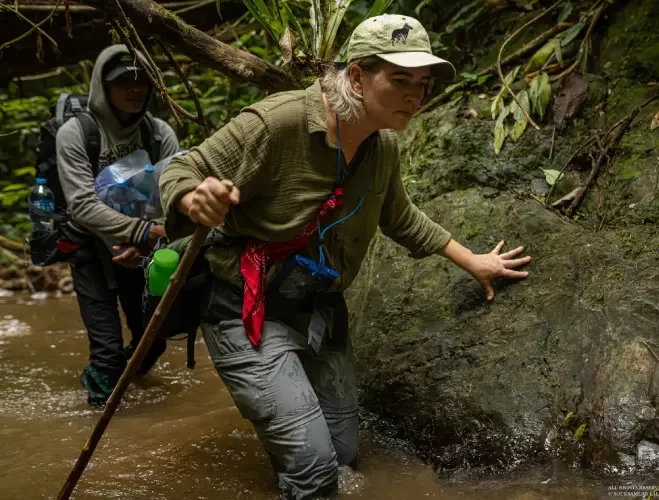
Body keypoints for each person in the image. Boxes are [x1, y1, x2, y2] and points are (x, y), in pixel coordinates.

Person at [159, 14, 531, 499]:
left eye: (421, 83)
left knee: (345, 454)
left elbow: (400, 216)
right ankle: (291, 436)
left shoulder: (384, 147)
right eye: (399, 80)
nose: (415, 96)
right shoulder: (280, 122)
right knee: (315, 472)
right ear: (356, 77)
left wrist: (474, 261)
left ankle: (291, 432)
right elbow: (181, 168)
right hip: (247, 307)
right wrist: (194, 199)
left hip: (320, 308)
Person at [56, 45, 180, 406]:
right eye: (122, 81)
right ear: (102, 86)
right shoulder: (76, 133)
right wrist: (142, 231)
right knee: (107, 352)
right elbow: (80, 205)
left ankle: (126, 388)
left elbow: (173, 196)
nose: (134, 89)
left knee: (153, 339)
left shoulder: (159, 135)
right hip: (89, 248)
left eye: (142, 81)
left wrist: (147, 239)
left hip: (142, 250)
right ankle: (101, 409)